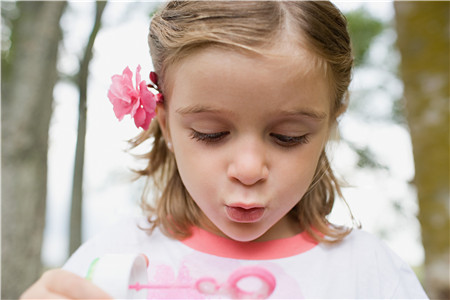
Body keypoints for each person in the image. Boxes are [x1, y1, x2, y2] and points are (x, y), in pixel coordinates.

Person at [21, 1, 428, 299]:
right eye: (210, 133)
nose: (249, 169)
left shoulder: (371, 276)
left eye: (288, 136)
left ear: (331, 124)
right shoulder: (113, 264)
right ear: (165, 124)